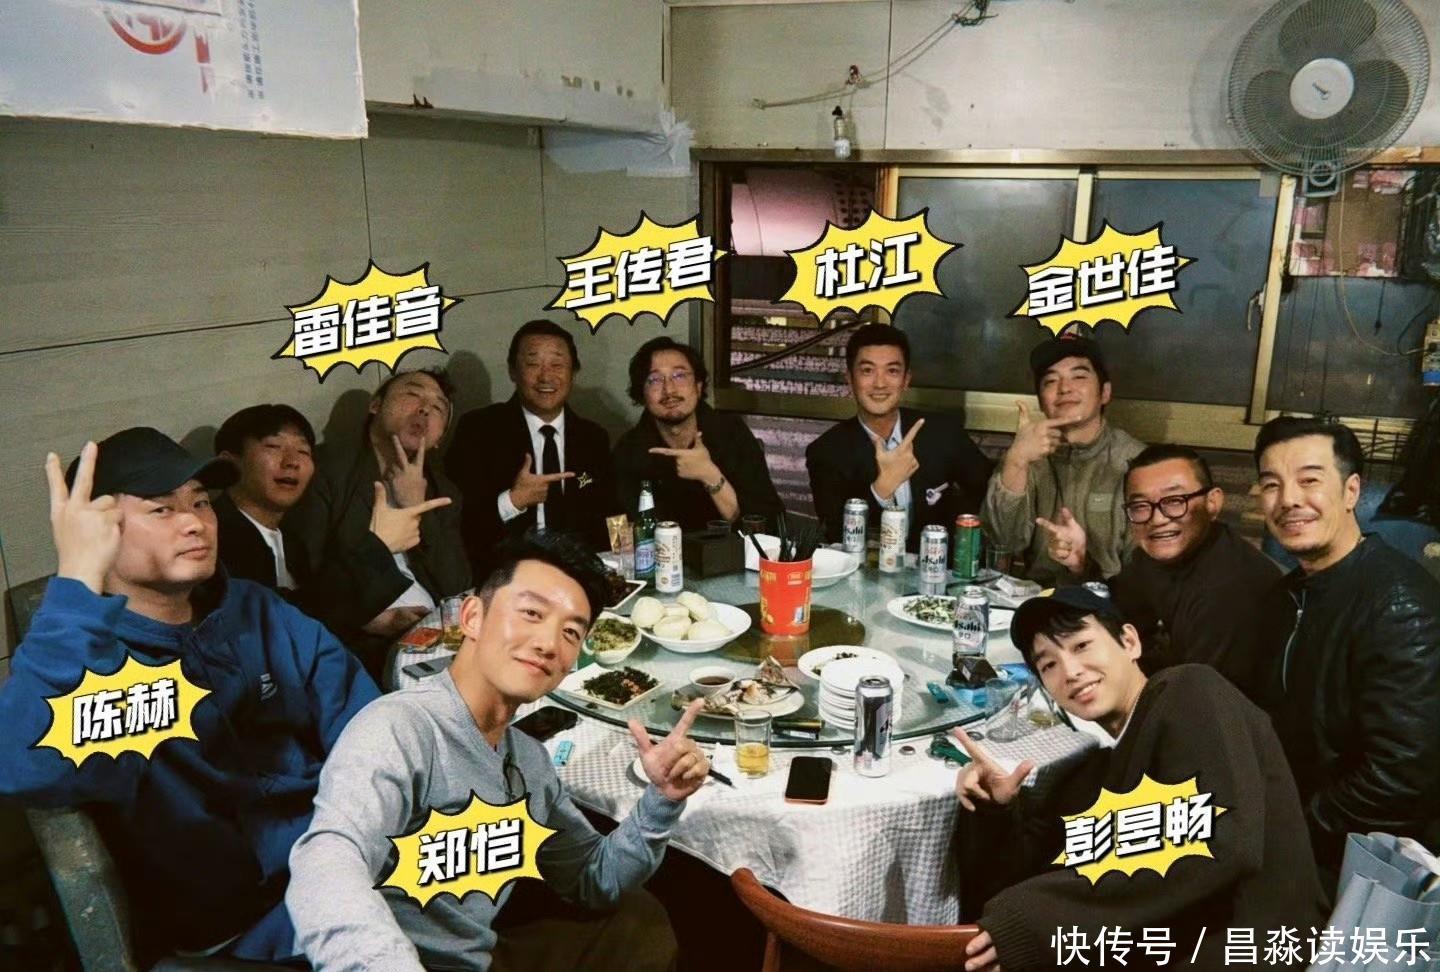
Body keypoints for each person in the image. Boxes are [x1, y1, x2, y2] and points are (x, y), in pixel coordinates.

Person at [0, 429, 378, 964]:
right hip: (245, 927)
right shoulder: (93, 662)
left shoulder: (254, 609)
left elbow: (365, 726)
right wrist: (77, 580)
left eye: (200, 502)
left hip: (345, 860)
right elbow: (23, 770)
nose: (195, 522)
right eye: (161, 509)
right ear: (99, 531)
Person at [287, 530, 705, 971]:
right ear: (472, 617)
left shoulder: (529, 762)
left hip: (480, 959)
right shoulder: (399, 730)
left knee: (641, 923)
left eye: (570, 632)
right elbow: (329, 859)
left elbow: (595, 878)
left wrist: (663, 798)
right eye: (531, 613)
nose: (548, 643)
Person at [955, 586, 1327, 972]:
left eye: (1081, 645)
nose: (1071, 671)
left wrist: (1041, 918)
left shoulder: (1191, 691)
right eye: (1048, 665)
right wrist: (994, 806)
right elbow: (1025, 876)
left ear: (1130, 642)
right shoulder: (1096, 771)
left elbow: (1222, 839)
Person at [1254, 416, 1440, 878]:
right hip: (1287, 816)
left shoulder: (1398, 605)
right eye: (1272, 484)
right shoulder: (1288, 594)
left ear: (1351, 491)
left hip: (1352, 858)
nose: (1289, 499)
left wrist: (1290, 831)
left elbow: (1401, 779)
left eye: (1309, 480)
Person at [286, 368, 471, 674]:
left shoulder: (444, 490)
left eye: (438, 408)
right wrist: (368, 618)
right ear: (375, 405)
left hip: (437, 634)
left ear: (439, 439)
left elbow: (456, 584)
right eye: (412, 394)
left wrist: (417, 508)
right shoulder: (325, 471)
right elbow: (305, 579)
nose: (425, 409)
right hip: (357, 640)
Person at [1058, 443, 1281, 698]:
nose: (1157, 519)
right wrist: (1080, 566)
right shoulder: (1156, 557)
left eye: (1175, 501)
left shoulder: (1230, 591)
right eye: (1140, 506)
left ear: (1212, 503)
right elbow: (1116, 610)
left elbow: (1204, 702)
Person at [213, 403, 404, 639]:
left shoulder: (292, 539)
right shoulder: (212, 539)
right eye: (273, 446)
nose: (292, 461)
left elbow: (310, 607)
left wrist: (372, 621)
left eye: (303, 451)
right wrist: (378, 546)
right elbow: (267, 625)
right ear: (229, 464)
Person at [448, 321, 618, 575]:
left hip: (580, 575)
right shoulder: (478, 430)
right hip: (506, 574)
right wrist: (513, 501)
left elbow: (613, 512)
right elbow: (456, 521)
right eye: (533, 364)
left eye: (557, 365)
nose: (546, 376)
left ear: (573, 372)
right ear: (512, 372)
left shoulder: (593, 437)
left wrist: (621, 563)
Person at [806, 324, 992, 550]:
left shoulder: (943, 432)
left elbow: (988, 493)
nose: (880, 383)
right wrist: (882, 489)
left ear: (906, 380)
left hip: (935, 567)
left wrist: (1016, 461)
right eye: (867, 371)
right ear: (850, 379)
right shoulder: (826, 452)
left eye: (892, 371)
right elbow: (835, 534)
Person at [982, 331, 1144, 586]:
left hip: (1113, 600)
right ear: (1041, 401)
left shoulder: (1136, 461)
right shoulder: (1029, 453)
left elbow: (1149, 567)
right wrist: (1016, 461)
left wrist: (1082, 565)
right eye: (1050, 381)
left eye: (1079, 376)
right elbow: (1002, 542)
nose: (1065, 388)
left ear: (1104, 393)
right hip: (1036, 597)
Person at [612, 336, 784, 531]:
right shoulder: (629, 450)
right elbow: (619, 529)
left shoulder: (731, 433)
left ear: (698, 386)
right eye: (655, 380)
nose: (669, 390)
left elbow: (770, 526)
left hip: (731, 549)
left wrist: (709, 474)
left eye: (679, 376)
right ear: (642, 393)